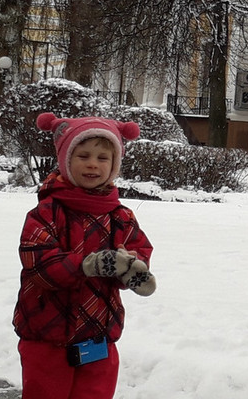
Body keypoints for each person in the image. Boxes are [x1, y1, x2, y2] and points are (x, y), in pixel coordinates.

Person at [13, 112, 157, 399]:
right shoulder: (46, 213)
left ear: (114, 165)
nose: (93, 164)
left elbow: (138, 246)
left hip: (98, 335)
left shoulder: (121, 216)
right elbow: (39, 263)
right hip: (47, 334)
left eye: (103, 158)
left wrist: (131, 266)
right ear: (66, 160)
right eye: (83, 156)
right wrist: (89, 264)